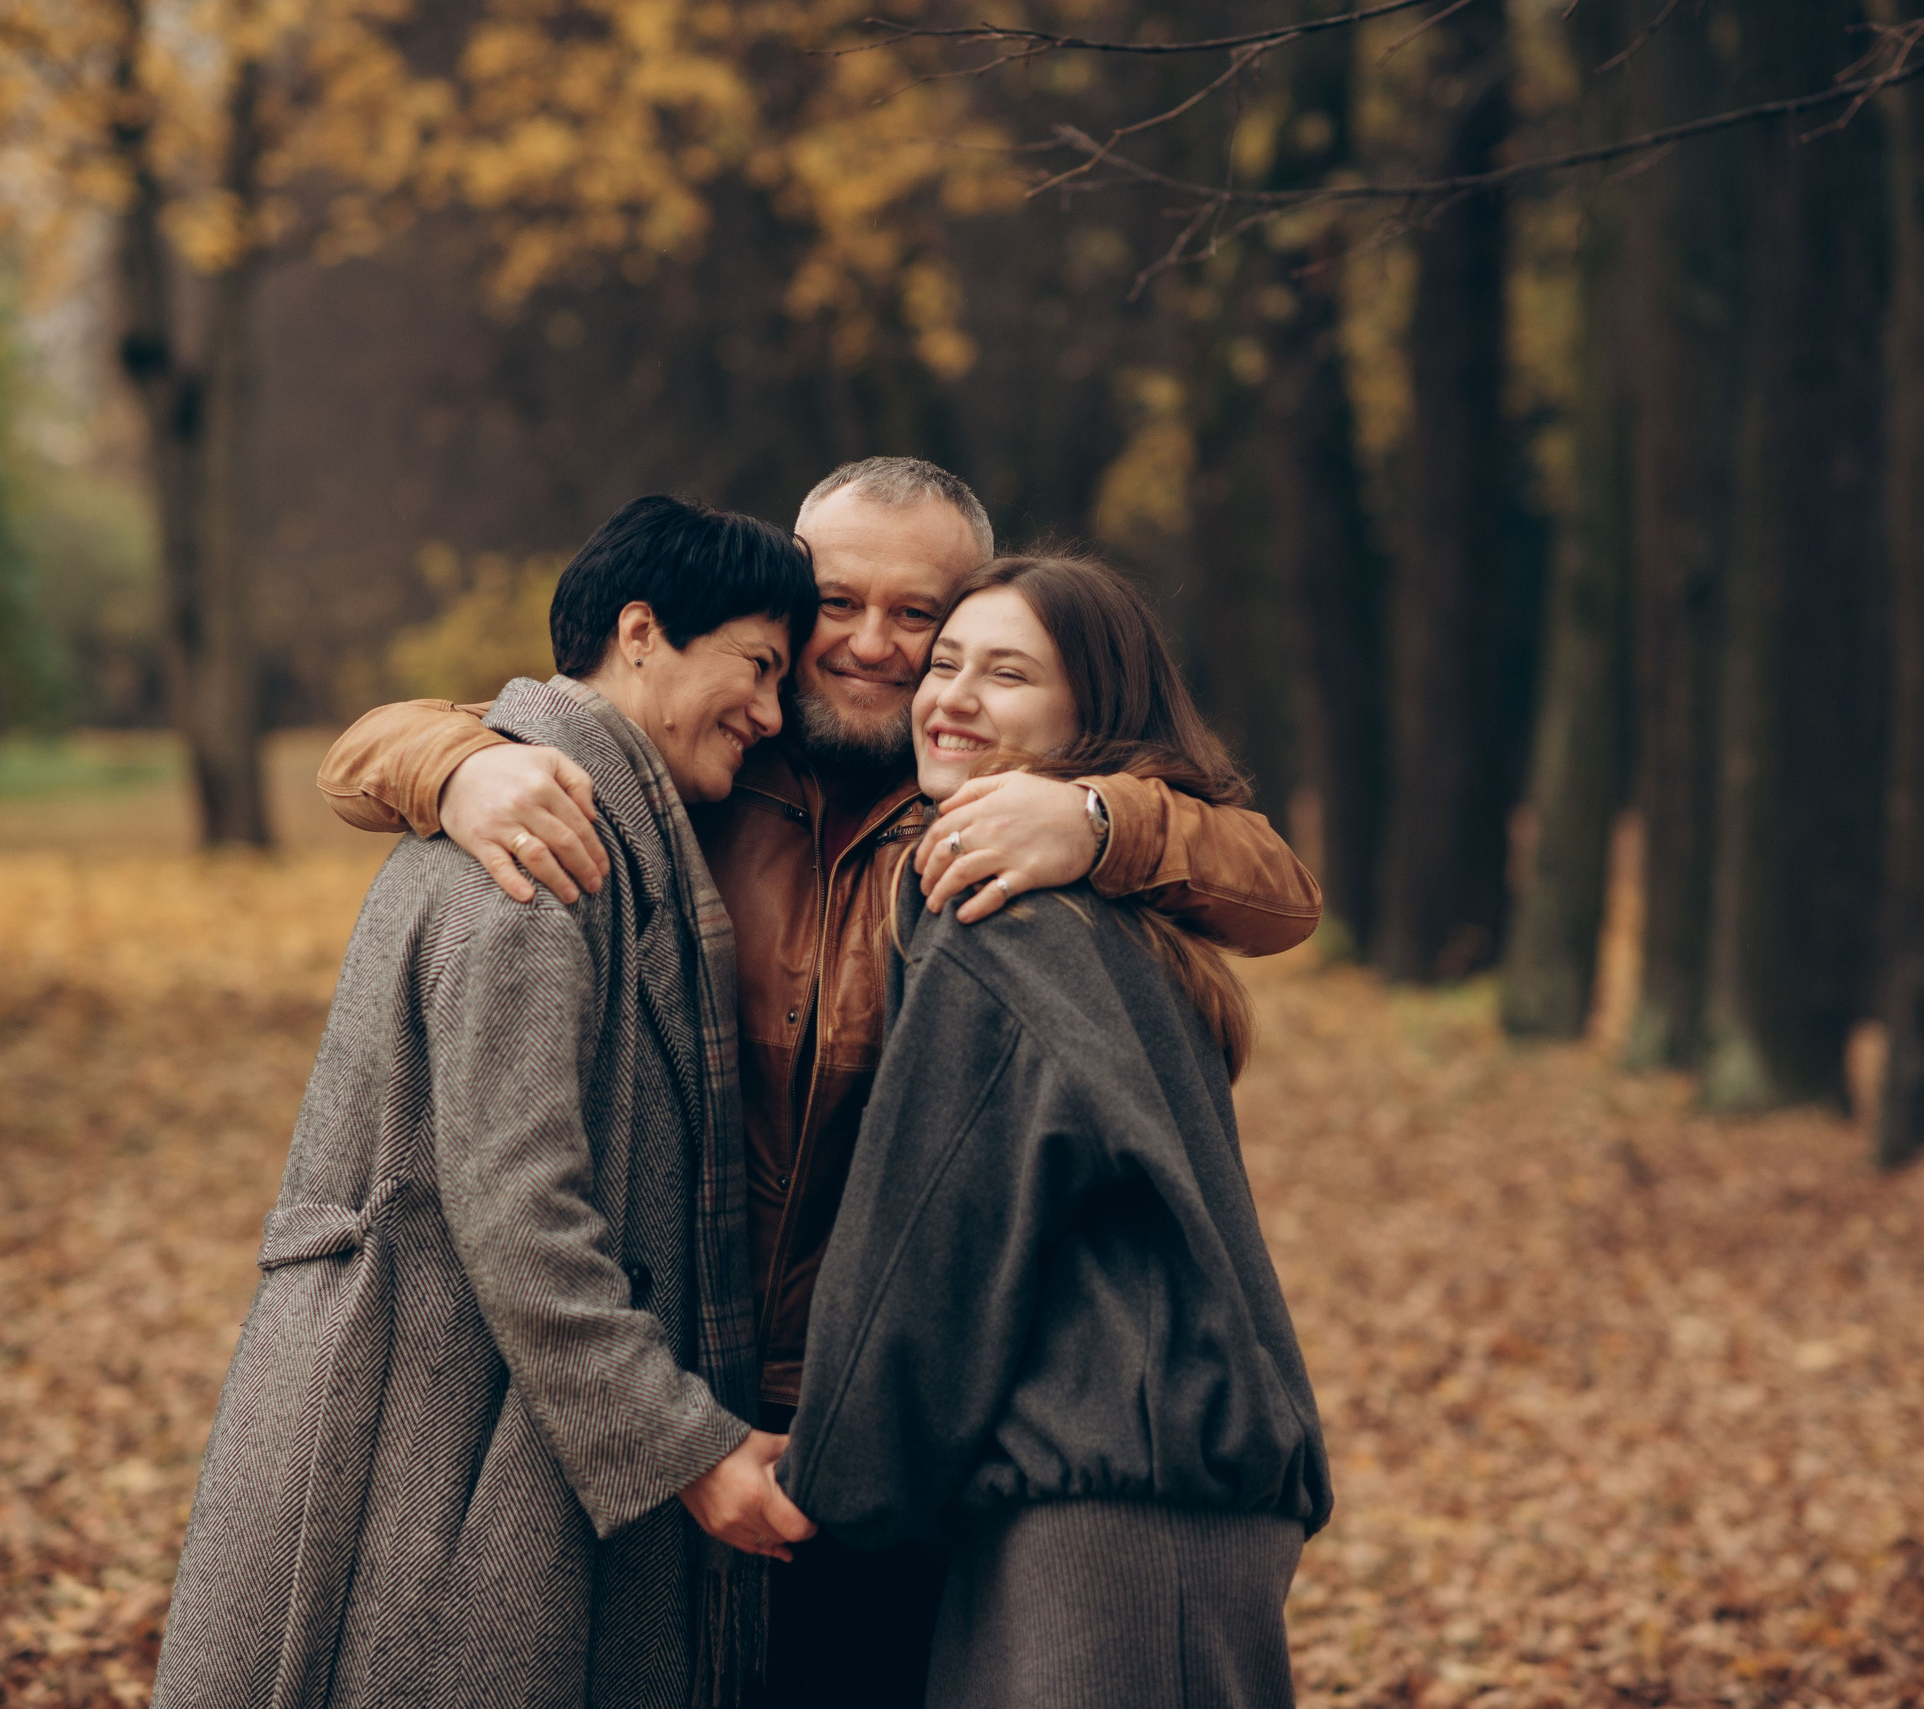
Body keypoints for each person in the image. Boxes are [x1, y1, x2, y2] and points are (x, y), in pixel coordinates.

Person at [314, 457, 1321, 1706]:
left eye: (921, 616)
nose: (873, 645)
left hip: (917, 1401)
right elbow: (363, 756)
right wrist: (460, 763)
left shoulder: (987, 809)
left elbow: (1274, 894)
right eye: (838, 601)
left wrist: (1104, 820)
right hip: (682, 1382)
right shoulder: (696, 762)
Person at [151, 496, 818, 1709]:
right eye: (758, 667)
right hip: (434, 1439)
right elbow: (519, 1215)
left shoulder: (584, 815)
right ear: (641, 630)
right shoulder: (541, 861)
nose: (771, 713)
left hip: (474, 1421)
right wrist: (688, 1447)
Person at [781, 553, 1331, 1709]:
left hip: (1106, 1512)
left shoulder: (1005, 913)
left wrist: (831, 1483)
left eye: (1006, 672)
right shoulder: (1106, 909)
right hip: (1139, 1482)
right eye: (946, 667)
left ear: (1092, 716)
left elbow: (934, 1234)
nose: (949, 695)